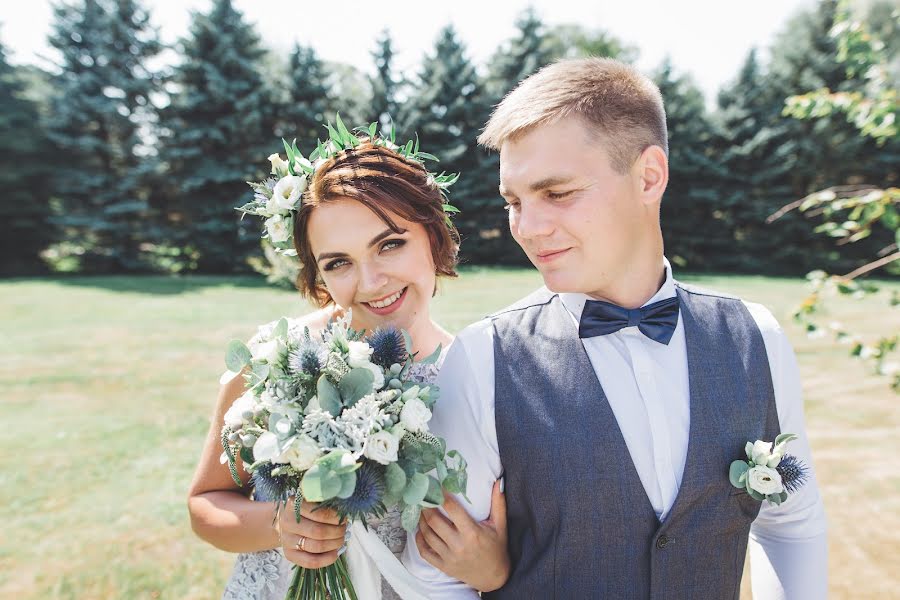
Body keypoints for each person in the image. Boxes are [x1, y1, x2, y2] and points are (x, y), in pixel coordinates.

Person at [404, 57, 829, 599]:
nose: (527, 228)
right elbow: (437, 577)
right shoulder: (484, 357)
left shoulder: (756, 337)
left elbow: (791, 526)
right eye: (514, 201)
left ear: (648, 176)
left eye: (557, 193)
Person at [187, 135, 510, 599]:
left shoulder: (476, 381)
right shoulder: (274, 362)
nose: (371, 282)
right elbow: (205, 506)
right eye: (339, 263)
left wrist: (494, 571)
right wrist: (279, 524)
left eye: (390, 244)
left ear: (434, 237)